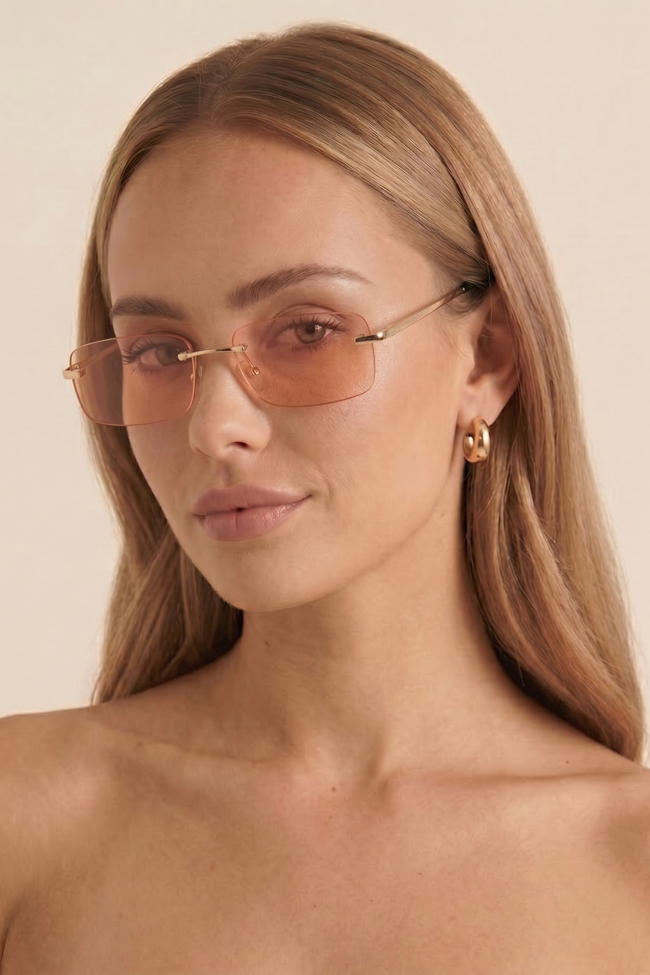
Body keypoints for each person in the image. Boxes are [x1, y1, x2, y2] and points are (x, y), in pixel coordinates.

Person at [1, 22, 649, 974]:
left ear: (487, 358)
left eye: (307, 329)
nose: (215, 425)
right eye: (158, 351)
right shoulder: (23, 820)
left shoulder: (630, 872)